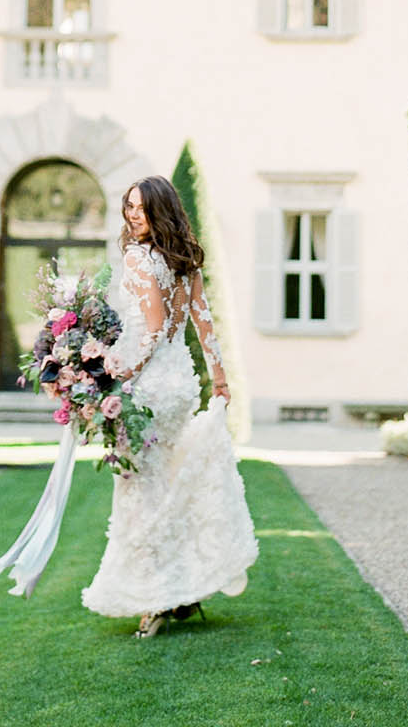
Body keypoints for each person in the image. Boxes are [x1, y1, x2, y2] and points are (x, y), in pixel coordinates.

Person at [81, 175, 259, 636]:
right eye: (128, 206)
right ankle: (186, 585)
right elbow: (202, 319)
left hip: (152, 385)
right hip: (181, 382)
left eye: (139, 208)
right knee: (168, 480)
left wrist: (119, 371)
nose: (131, 215)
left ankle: (156, 596)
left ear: (158, 211)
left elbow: (155, 327)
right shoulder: (185, 261)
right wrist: (218, 376)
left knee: (140, 491)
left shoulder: (139, 258)